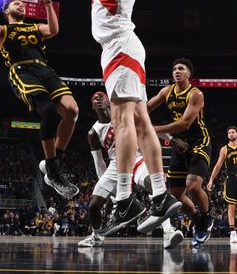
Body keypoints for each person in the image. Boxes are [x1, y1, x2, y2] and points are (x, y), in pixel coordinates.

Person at [69, 0, 179, 236]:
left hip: (121, 48)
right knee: (142, 120)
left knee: (122, 119)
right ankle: (160, 195)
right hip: (118, 51)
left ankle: (124, 196)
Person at [0, 0, 79, 198]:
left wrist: (48, 3)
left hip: (46, 71)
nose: (21, 6)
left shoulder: (35, 27)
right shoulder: (3, 31)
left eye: (23, 5)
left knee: (72, 111)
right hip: (22, 71)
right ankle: (53, 171)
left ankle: (54, 161)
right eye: (16, 4)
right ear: (6, 11)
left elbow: (54, 30)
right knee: (49, 111)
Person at [74, 91, 182, 248]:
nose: (98, 99)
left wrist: (172, 139)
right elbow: (98, 162)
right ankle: (97, 237)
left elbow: (148, 130)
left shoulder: (124, 116)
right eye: (95, 98)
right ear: (92, 106)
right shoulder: (93, 133)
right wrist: (111, 191)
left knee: (153, 185)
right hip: (114, 165)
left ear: (109, 102)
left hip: (136, 158)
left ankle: (168, 231)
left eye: (101, 97)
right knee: (93, 206)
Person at [147, 58, 213, 245]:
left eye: (181, 68)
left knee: (192, 185)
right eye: (174, 68)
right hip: (180, 144)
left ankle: (207, 218)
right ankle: (198, 222)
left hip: (199, 141)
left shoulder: (195, 94)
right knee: (175, 194)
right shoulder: (166, 91)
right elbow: (147, 107)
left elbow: (185, 124)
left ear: (189, 74)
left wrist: (153, 129)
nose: (177, 71)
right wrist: (131, 115)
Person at [207, 126, 237, 243]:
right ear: (228, 136)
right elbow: (218, 165)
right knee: (231, 206)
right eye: (229, 133)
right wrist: (211, 179)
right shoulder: (224, 149)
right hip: (230, 179)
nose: (231, 134)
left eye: (233, 132)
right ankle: (232, 232)